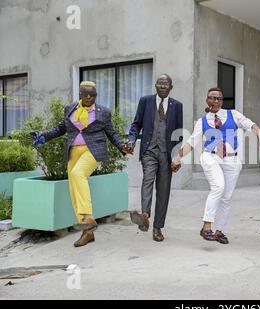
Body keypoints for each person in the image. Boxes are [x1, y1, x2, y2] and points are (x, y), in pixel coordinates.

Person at [32, 81, 132, 247]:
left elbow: (112, 133)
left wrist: (122, 145)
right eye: (85, 94)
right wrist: (43, 136)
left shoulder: (103, 112)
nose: (88, 97)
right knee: (73, 187)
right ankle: (87, 231)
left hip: (92, 151)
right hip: (73, 151)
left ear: (96, 95)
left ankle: (87, 218)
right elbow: (61, 128)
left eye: (92, 95)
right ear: (79, 94)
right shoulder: (70, 109)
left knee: (78, 174)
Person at [171, 87, 260, 244]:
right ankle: (206, 227)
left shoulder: (233, 114)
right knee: (218, 187)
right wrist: (177, 158)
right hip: (211, 157)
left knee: (226, 198)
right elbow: (191, 143)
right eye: (212, 98)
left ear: (222, 101)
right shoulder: (202, 122)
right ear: (207, 100)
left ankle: (220, 231)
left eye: (219, 98)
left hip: (232, 159)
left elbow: (251, 125)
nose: (216, 101)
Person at [127, 74, 183, 242]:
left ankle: (157, 227)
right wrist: (131, 140)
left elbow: (178, 134)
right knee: (147, 180)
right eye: (160, 83)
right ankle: (144, 216)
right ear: (155, 86)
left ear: (171, 87)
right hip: (149, 151)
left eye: (166, 84)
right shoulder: (145, 101)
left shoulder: (177, 106)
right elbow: (136, 124)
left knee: (163, 191)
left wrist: (176, 157)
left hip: (166, 154)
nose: (163, 86)